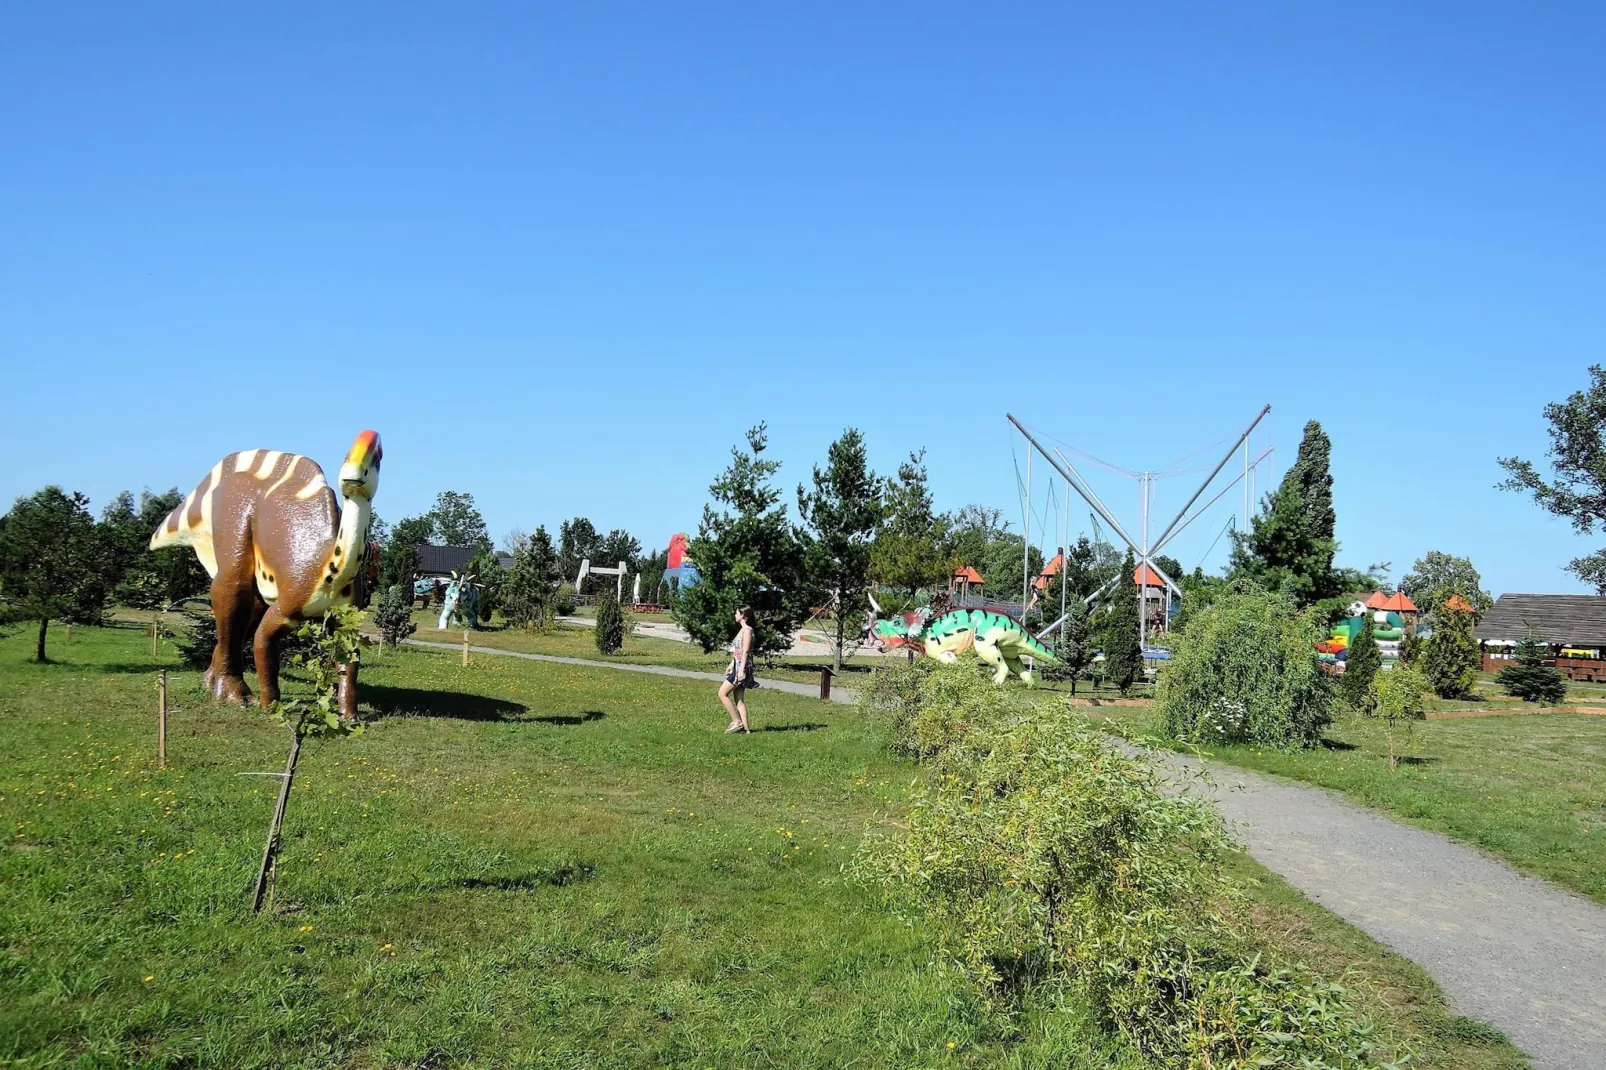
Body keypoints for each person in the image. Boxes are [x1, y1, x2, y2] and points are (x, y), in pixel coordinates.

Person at [720, 605, 757, 733]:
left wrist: (740, 670)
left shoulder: (747, 630)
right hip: (737, 665)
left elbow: (746, 651)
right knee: (739, 700)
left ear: (742, 615)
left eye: (736, 613)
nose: (735, 615)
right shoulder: (742, 630)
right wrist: (731, 665)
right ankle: (746, 730)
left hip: (742, 667)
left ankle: (736, 721)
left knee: (722, 693)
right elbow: (738, 651)